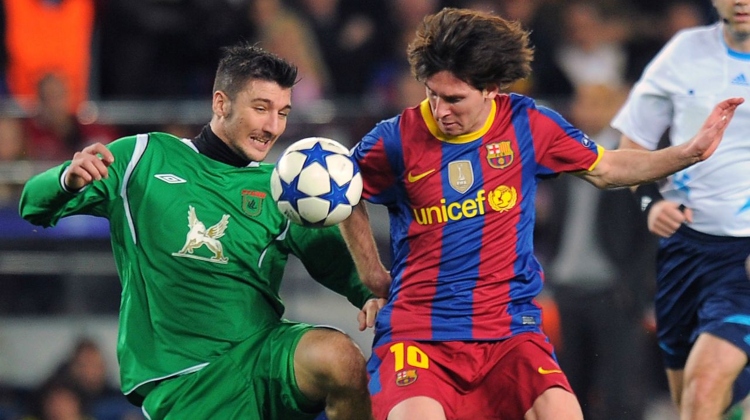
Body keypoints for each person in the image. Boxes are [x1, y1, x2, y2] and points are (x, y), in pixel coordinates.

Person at [337, 7, 743, 420]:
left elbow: (608, 168)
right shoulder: (394, 139)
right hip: (421, 333)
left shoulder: (527, 123)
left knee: (563, 412)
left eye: (454, 99)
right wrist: (373, 277)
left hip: (508, 331)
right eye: (432, 94)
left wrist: (688, 153)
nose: (440, 110)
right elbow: (341, 193)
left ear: (491, 88)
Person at [19, 42, 382, 419]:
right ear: (221, 103)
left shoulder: (283, 187)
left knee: (342, 359)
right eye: (261, 109)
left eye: (283, 113)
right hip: (182, 379)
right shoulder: (142, 158)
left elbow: (340, 265)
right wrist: (66, 180)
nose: (273, 127)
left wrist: (370, 295)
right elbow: (32, 205)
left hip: (263, 357)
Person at [611, 0, 750, 418]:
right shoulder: (684, 52)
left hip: (743, 258)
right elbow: (631, 149)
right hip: (684, 250)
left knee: (705, 386)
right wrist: (650, 204)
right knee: (690, 399)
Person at [540, 83, 655, 420]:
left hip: (613, 292)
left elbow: (649, 228)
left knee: (620, 391)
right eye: (583, 102)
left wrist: (633, 285)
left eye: (596, 103)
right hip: (569, 288)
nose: (586, 110)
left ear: (617, 110)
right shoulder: (566, 157)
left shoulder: (631, 158)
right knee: (571, 389)